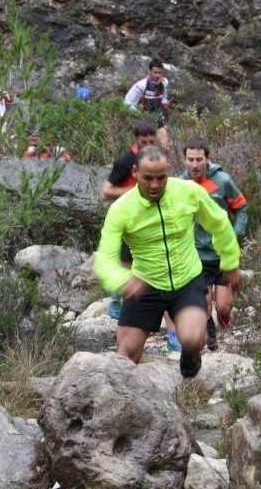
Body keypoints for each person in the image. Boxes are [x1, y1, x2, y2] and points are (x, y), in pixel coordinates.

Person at [94, 145, 241, 377]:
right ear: (135, 172)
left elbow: (219, 222)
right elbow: (105, 259)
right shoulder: (121, 209)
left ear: (168, 172)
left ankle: (191, 356)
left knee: (193, 339)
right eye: (148, 178)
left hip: (187, 279)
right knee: (126, 357)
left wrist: (230, 262)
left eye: (161, 178)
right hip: (145, 283)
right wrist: (123, 280)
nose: (155, 185)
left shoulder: (188, 191)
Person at [102, 122, 181, 351]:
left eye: (151, 140)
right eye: (143, 141)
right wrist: (136, 192)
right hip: (130, 226)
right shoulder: (125, 162)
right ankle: (122, 321)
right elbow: (106, 191)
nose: (148, 144)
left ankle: (172, 335)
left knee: (162, 281)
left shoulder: (157, 160)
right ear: (135, 139)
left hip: (153, 225)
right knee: (131, 281)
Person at [181, 138, 248, 351]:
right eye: (190, 159)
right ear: (184, 160)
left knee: (224, 307)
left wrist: (235, 234)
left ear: (207, 159)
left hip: (221, 255)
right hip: (195, 255)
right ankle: (211, 338)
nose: (194, 164)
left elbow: (242, 208)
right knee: (204, 303)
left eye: (199, 159)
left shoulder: (223, 180)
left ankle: (224, 319)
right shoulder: (179, 185)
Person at [124, 58, 171, 150]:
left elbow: (164, 99)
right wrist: (139, 114)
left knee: (164, 135)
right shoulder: (141, 85)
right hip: (140, 114)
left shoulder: (164, 83)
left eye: (160, 73)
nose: (158, 75)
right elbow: (127, 102)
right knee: (144, 140)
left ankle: (163, 155)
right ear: (150, 72)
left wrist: (165, 116)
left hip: (156, 113)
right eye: (155, 72)